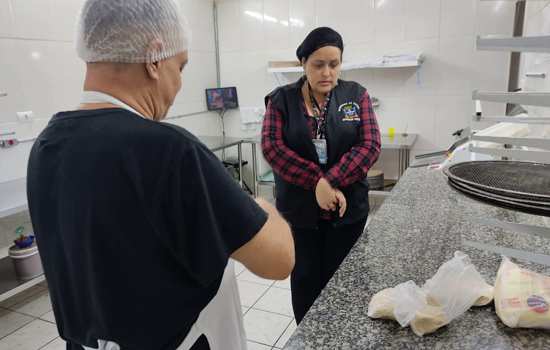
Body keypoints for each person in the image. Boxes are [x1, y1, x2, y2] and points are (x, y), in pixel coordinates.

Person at [26, 1, 294, 349]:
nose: (179, 83)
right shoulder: (168, 150)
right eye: (180, 67)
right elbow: (279, 259)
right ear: (154, 58)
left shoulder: (45, 147)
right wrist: (259, 204)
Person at [261, 27, 381, 324]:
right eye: (318, 64)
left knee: (345, 280)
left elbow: (369, 145)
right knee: (305, 280)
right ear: (303, 62)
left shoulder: (357, 96)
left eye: (334, 64)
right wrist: (316, 182)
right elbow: (272, 148)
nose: (327, 72)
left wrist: (331, 182)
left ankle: (342, 337)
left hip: (348, 208)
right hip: (300, 214)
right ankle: (308, 338)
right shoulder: (281, 101)